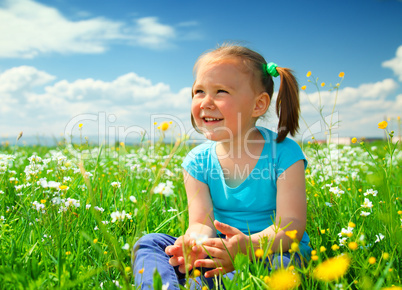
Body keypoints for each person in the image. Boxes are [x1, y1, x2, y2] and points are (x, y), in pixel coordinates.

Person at [133, 43, 311, 289]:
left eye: (220, 92)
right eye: (198, 91)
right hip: (219, 250)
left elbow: (291, 227)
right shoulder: (197, 161)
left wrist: (247, 247)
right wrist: (194, 244)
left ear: (258, 105)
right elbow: (201, 223)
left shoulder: (284, 153)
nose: (206, 102)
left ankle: (207, 283)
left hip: (272, 250)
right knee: (151, 242)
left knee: (281, 267)